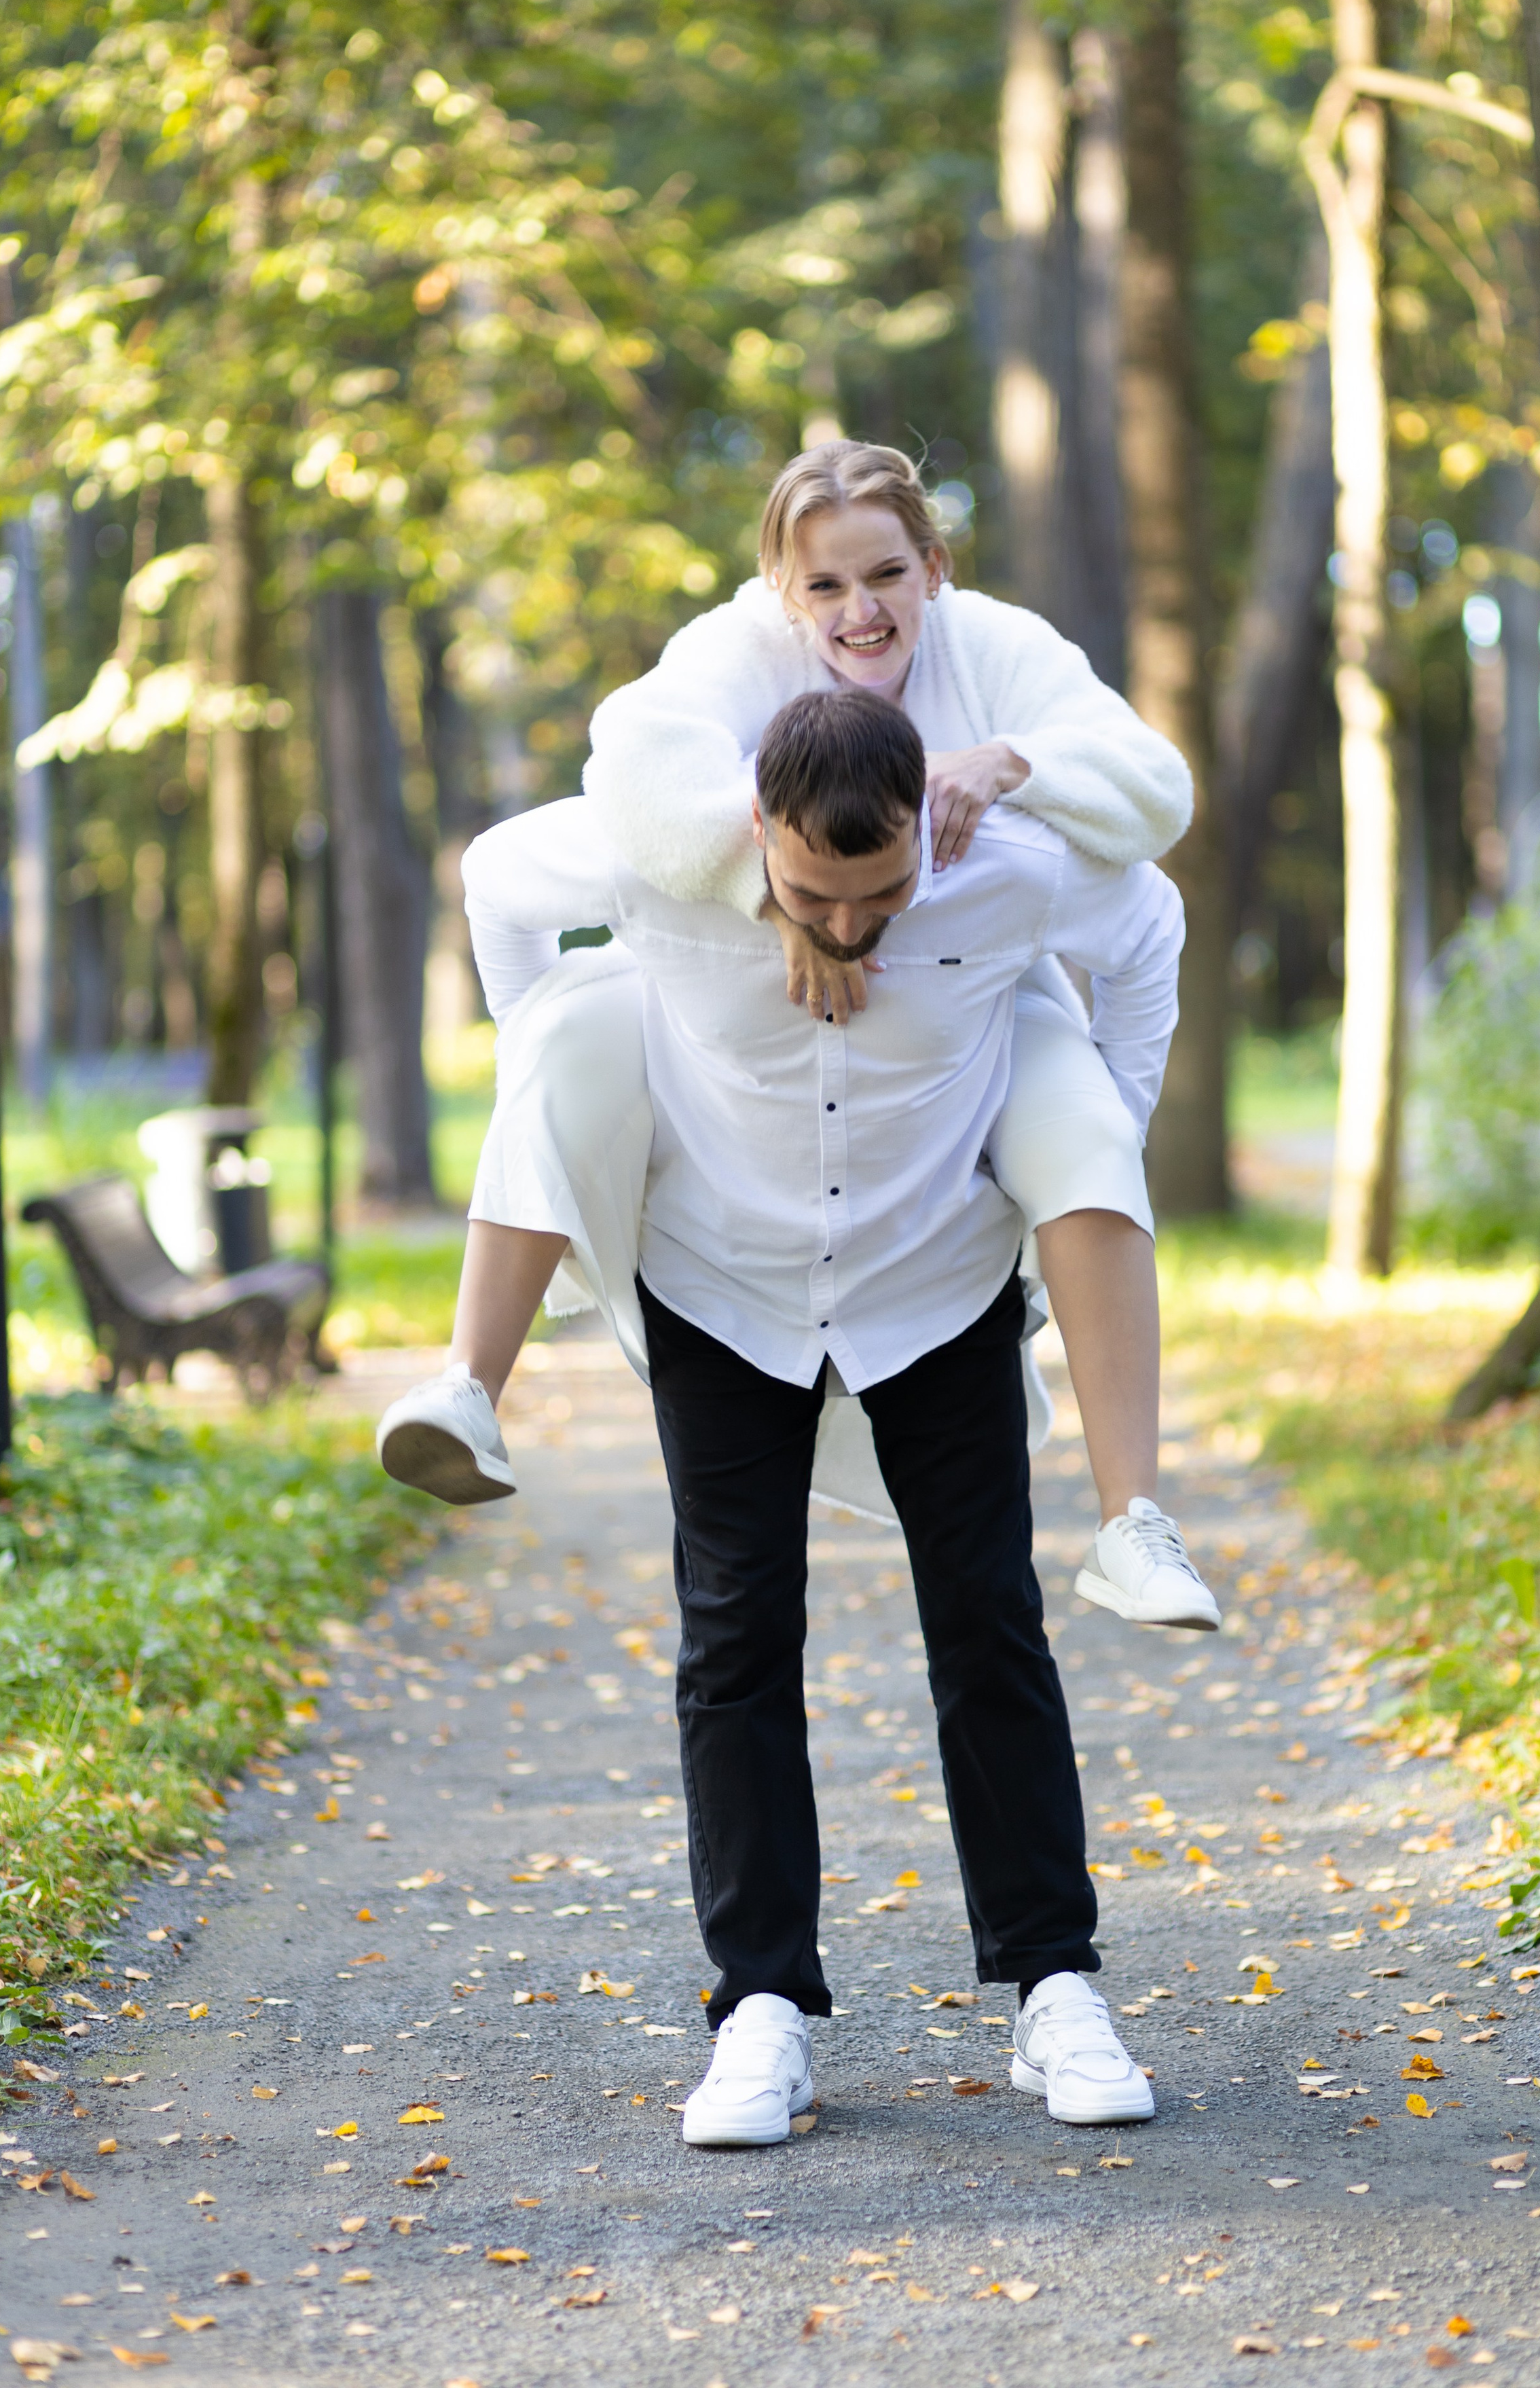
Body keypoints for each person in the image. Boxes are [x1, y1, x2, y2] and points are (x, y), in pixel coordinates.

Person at [454, 689, 1172, 2143]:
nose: (849, 928)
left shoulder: (1006, 865)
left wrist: (1096, 1137)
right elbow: (494, 893)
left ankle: (1053, 1987)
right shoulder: (656, 862)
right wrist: (566, 1084)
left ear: (926, 822)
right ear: (751, 837)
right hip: (721, 1277)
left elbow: (1145, 934)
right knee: (734, 1632)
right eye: (811, 896)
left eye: (882, 893)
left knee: (988, 1619)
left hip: (935, 1279)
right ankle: (758, 2010)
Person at [378, 439, 1219, 1633]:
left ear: (934, 566)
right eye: (824, 585)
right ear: (783, 588)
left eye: (886, 575)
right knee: (570, 1028)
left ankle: (1133, 1519)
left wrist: (1012, 762)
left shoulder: (1002, 655)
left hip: (977, 1001)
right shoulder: (738, 653)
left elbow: (1152, 799)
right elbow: (632, 767)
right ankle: (469, 1381)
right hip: (723, 1004)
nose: (859, 611)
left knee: (1082, 1125)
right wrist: (773, 898)